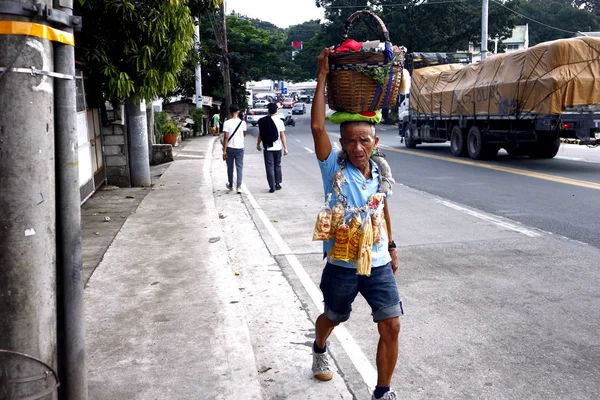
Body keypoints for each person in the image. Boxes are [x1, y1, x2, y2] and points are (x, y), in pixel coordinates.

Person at [310, 47, 403, 400]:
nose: (358, 147)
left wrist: (392, 246)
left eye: (364, 140)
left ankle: (382, 391)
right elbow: (318, 125)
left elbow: (382, 211)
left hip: (377, 263)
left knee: (391, 325)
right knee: (332, 318)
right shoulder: (333, 168)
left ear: (375, 142)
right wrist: (322, 76)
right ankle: (319, 347)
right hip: (342, 264)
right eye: (351, 140)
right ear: (342, 144)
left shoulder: (380, 172)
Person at [256, 103, 288, 193]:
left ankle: (272, 186)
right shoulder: (280, 121)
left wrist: (258, 144)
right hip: (278, 148)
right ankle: (277, 183)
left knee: (269, 167)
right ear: (276, 110)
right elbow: (282, 135)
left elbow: (260, 134)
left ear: (268, 111)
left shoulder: (263, 121)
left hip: (268, 148)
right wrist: (285, 148)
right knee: (277, 165)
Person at [222, 104, 247, 194]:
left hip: (230, 148)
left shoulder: (227, 123)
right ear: (238, 112)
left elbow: (225, 137)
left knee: (230, 167)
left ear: (230, 112)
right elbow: (244, 134)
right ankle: (239, 186)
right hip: (240, 147)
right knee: (239, 167)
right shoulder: (242, 123)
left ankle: (231, 184)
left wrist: (224, 151)